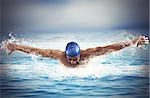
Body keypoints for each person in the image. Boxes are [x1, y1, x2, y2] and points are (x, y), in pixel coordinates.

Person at [7, 35, 149, 68]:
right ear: (66, 55)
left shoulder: (88, 54)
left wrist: (132, 42)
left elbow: (110, 48)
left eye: (76, 58)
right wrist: (17, 47)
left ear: (80, 54)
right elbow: (37, 51)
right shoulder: (59, 56)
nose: (74, 61)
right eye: (71, 59)